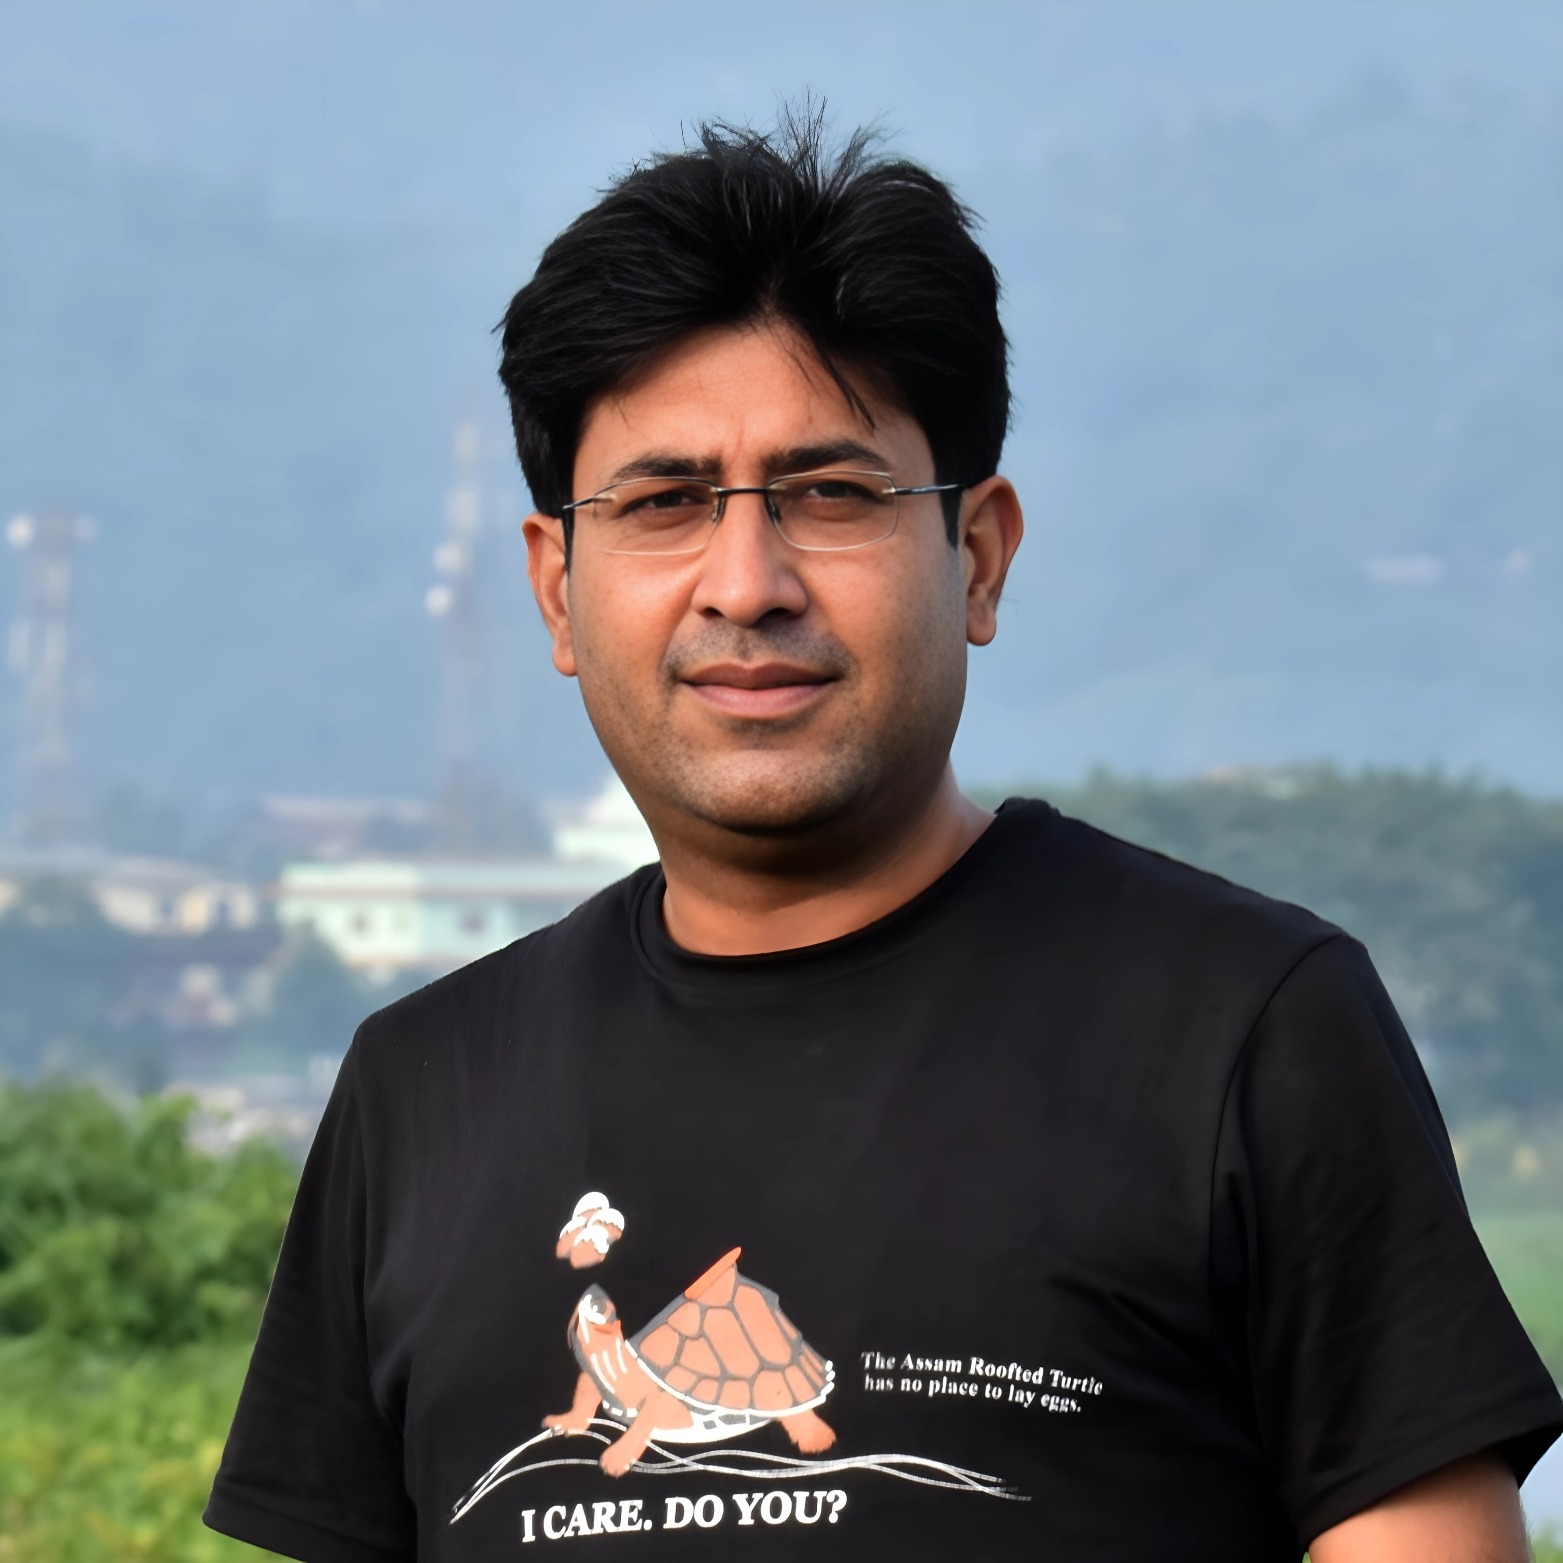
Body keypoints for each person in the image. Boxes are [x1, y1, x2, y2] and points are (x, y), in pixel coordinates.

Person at [206, 113, 1561, 1562]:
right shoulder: (420, 1095)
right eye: (664, 504)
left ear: (977, 555)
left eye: (832, 495)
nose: (747, 583)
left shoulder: (1246, 1030)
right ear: (556, 589)